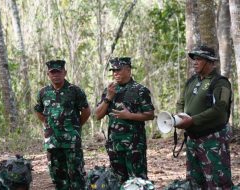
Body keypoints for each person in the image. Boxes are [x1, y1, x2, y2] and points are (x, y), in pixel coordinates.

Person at [175, 45, 234, 189]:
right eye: (194, 59)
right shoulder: (192, 81)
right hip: (193, 139)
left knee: (217, 182)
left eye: (199, 59)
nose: (194, 62)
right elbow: (180, 101)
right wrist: (179, 116)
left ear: (209, 61)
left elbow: (220, 109)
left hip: (212, 140)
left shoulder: (220, 83)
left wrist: (193, 120)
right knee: (195, 182)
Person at [95, 57, 154, 183]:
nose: (115, 73)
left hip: (134, 145)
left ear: (128, 70)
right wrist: (108, 98)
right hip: (115, 145)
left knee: (138, 181)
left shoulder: (140, 90)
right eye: (113, 70)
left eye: (118, 70)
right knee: (117, 181)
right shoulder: (109, 90)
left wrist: (129, 116)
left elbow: (150, 115)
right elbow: (98, 115)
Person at [34, 60, 91, 190]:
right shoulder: (43, 92)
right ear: (48, 74)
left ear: (64, 73)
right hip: (52, 141)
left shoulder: (75, 91)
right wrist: (49, 125)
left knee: (76, 174)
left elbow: (86, 111)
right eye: (52, 72)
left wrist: (75, 127)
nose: (55, 75)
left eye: (58, 72)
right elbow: (39, 111)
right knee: (57, 175)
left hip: (71, 141)